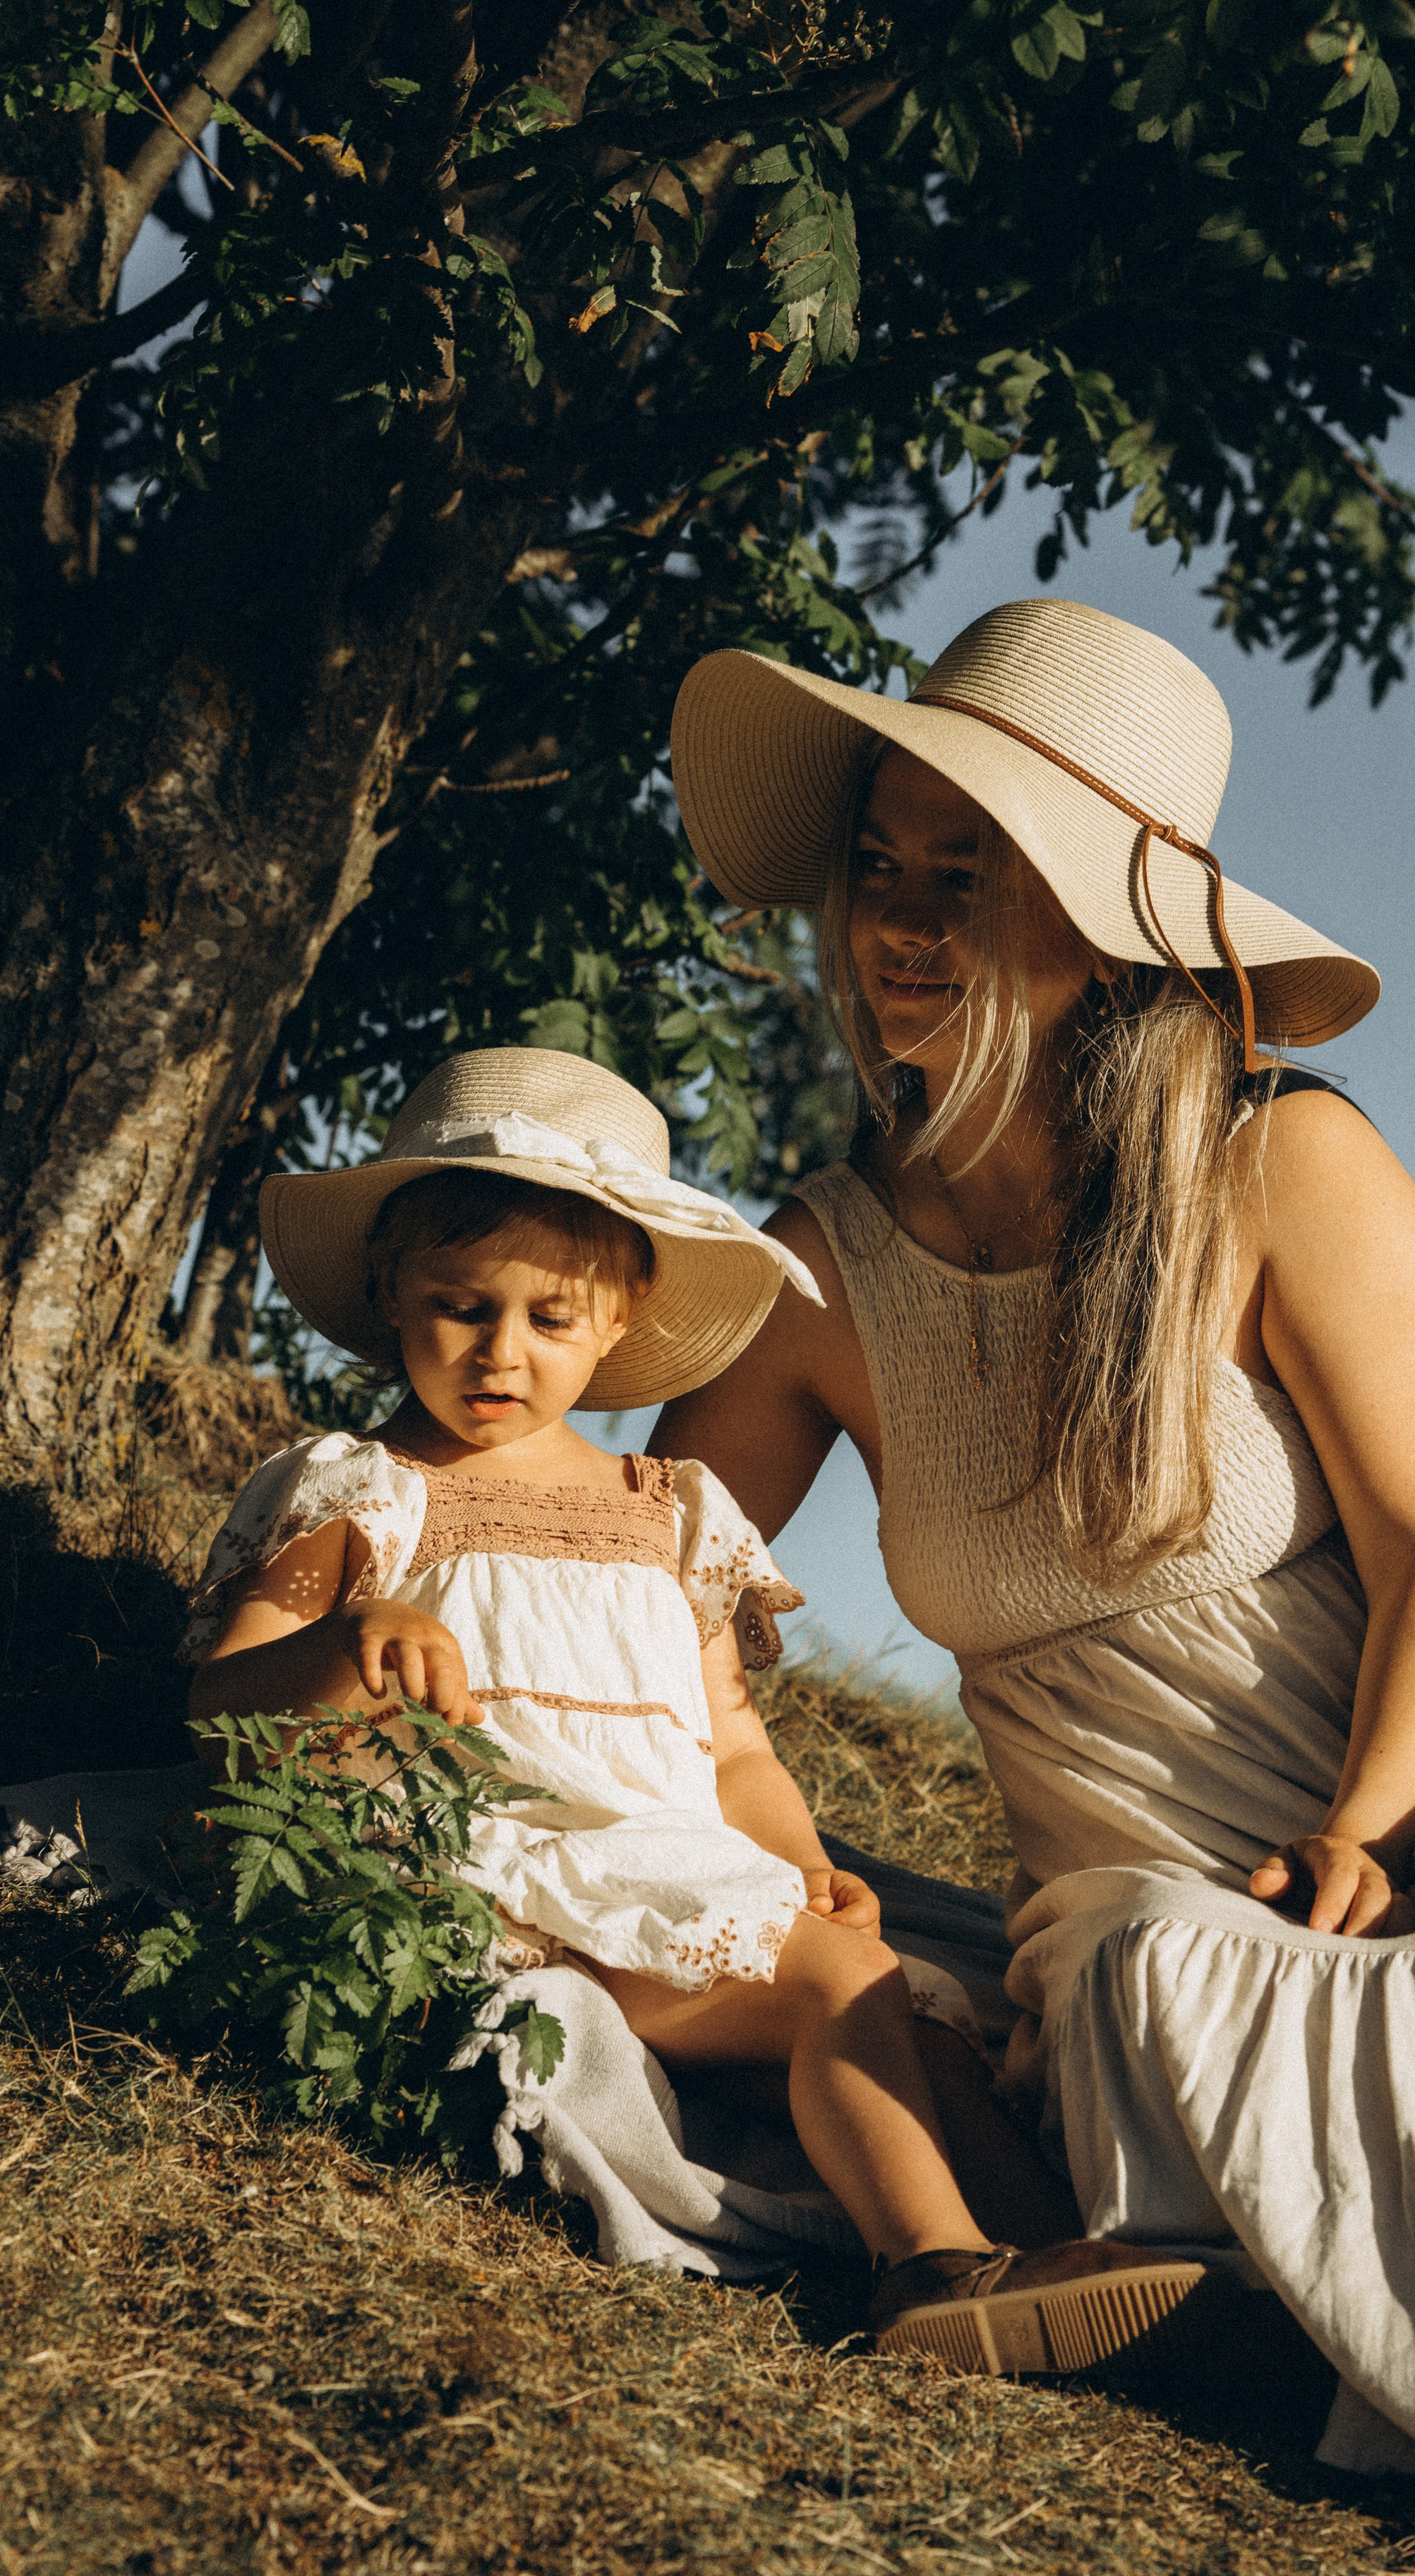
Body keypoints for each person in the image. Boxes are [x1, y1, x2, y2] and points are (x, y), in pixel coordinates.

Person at [658, 593, 1415, 2469]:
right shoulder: (825, 1270)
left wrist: (1364, 1835)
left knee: (1163, 1962)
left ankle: (1250, 2312)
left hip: (1380, 1866)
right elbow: (641, 1578)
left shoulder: (1274, 1162)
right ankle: (1203, 2298)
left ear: (1104, 924)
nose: (899, 924)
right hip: (1104, 1952)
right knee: (1019, 1971)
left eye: (970, 875)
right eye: (880, 866)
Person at [180, 1044, 1208, 2369]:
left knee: (901, 2007)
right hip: (502, 1879)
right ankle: (930, 2272)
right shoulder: (363, 1492)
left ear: (618, 1321)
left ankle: (1075, 2287)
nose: (503, 1355)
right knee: (838, 1990)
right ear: (388, 1291)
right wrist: (346, 1643)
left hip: (664, 1865)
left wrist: (800, 1870)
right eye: (460, 1308)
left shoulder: (669, 1516)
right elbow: (218, 1712)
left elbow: (731, 1746)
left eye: (550, 1322)